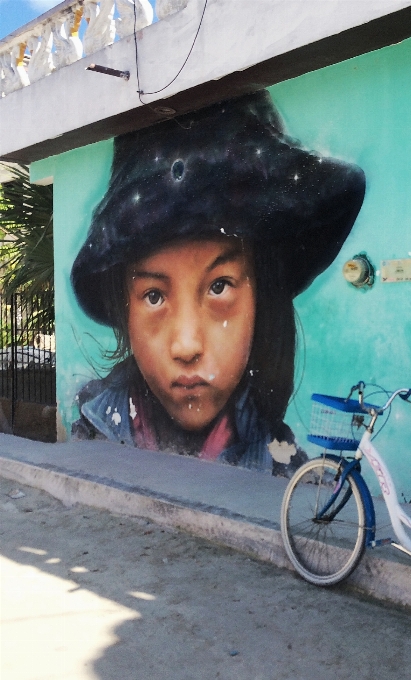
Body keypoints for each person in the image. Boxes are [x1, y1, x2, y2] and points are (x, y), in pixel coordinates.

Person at [70, 90, 366, 476]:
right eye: (154, 295)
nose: (187, 346)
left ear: (262, 298)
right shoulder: (89, 435)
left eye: (219, 286)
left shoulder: (287, 475)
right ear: (124, 306)